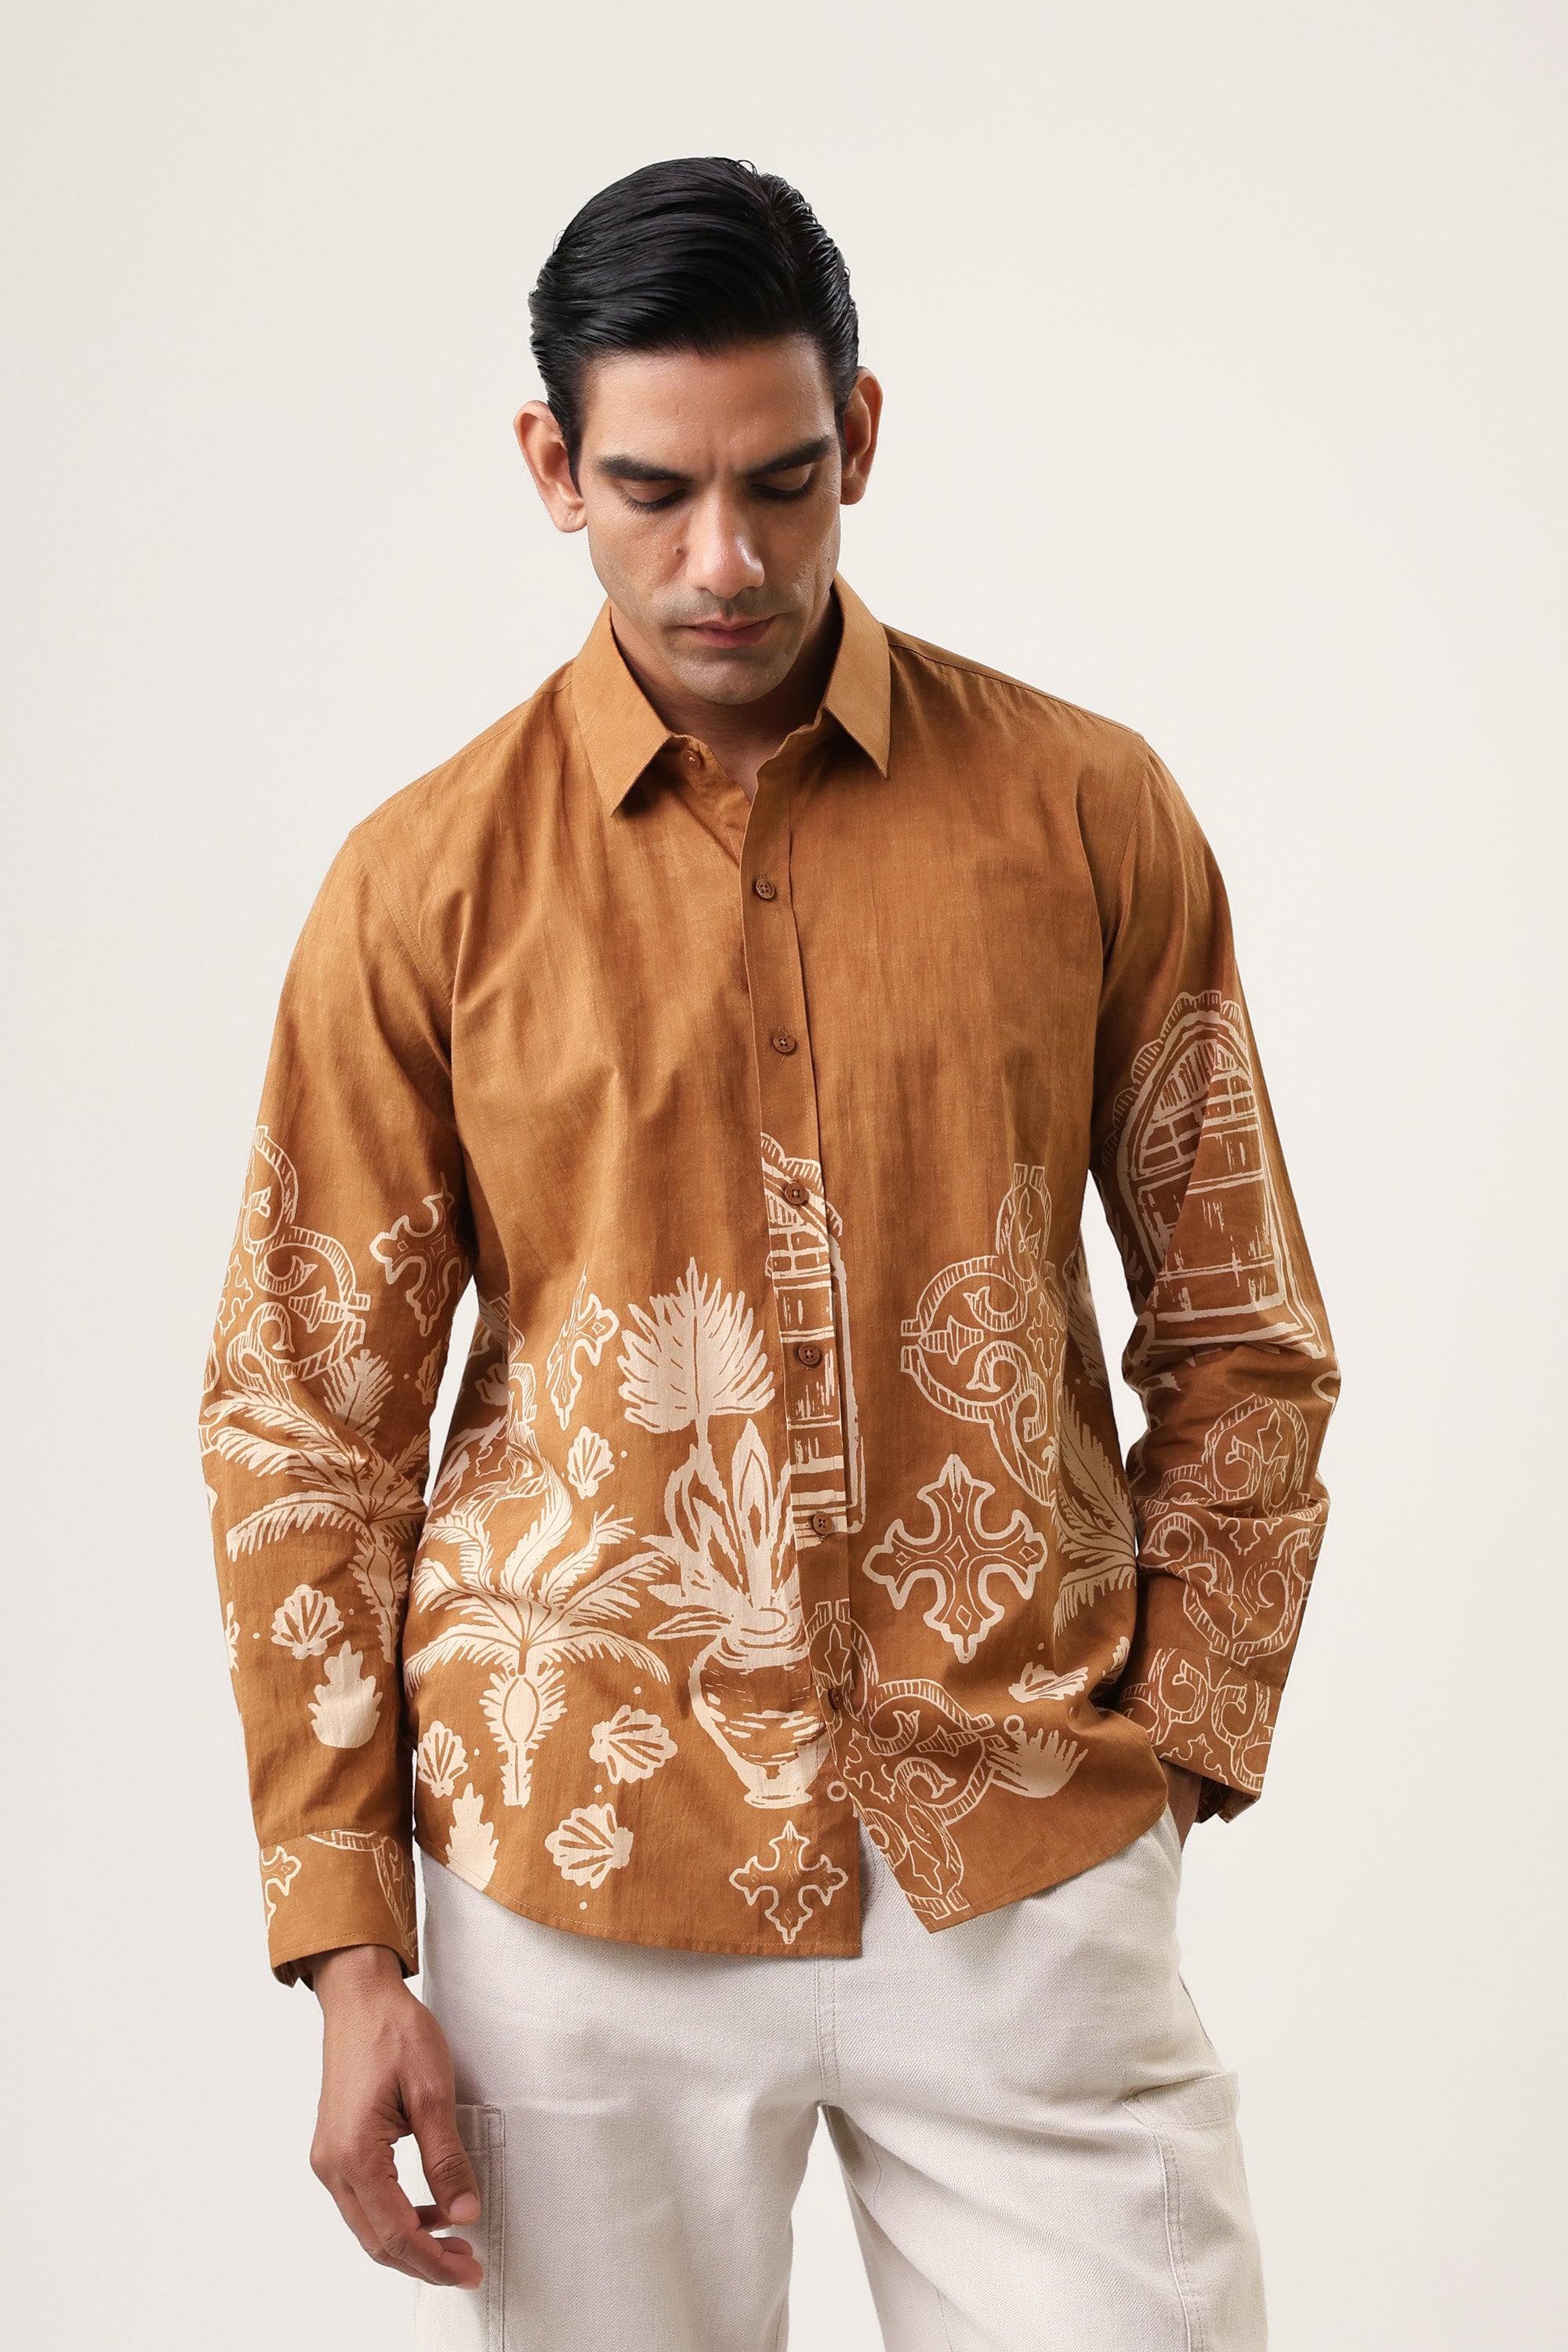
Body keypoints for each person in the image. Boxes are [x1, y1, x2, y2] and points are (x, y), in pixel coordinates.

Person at [201, 155, 1338, 2352]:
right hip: (577, 1880)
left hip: (1020, 1847)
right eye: (654, 491)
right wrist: (349, 1948)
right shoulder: (423, 886)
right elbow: (303, 1421)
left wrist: (1172, 1758)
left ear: (862, 438)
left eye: (781, 483)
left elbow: (1241, 1328)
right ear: (555, 468)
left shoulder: (1087, 813)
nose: (724, 559)